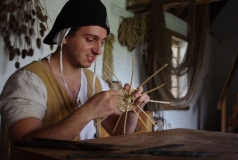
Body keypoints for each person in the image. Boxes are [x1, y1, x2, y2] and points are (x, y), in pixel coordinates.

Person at [0, 0, 149, 157]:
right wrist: (87, 112)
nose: (98, 50)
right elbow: (24, 146)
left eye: (102, 42)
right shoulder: (28, 81)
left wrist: (132, 111)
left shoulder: (95, 82)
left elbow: (119, 132)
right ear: (65, 36)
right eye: (90, 39)